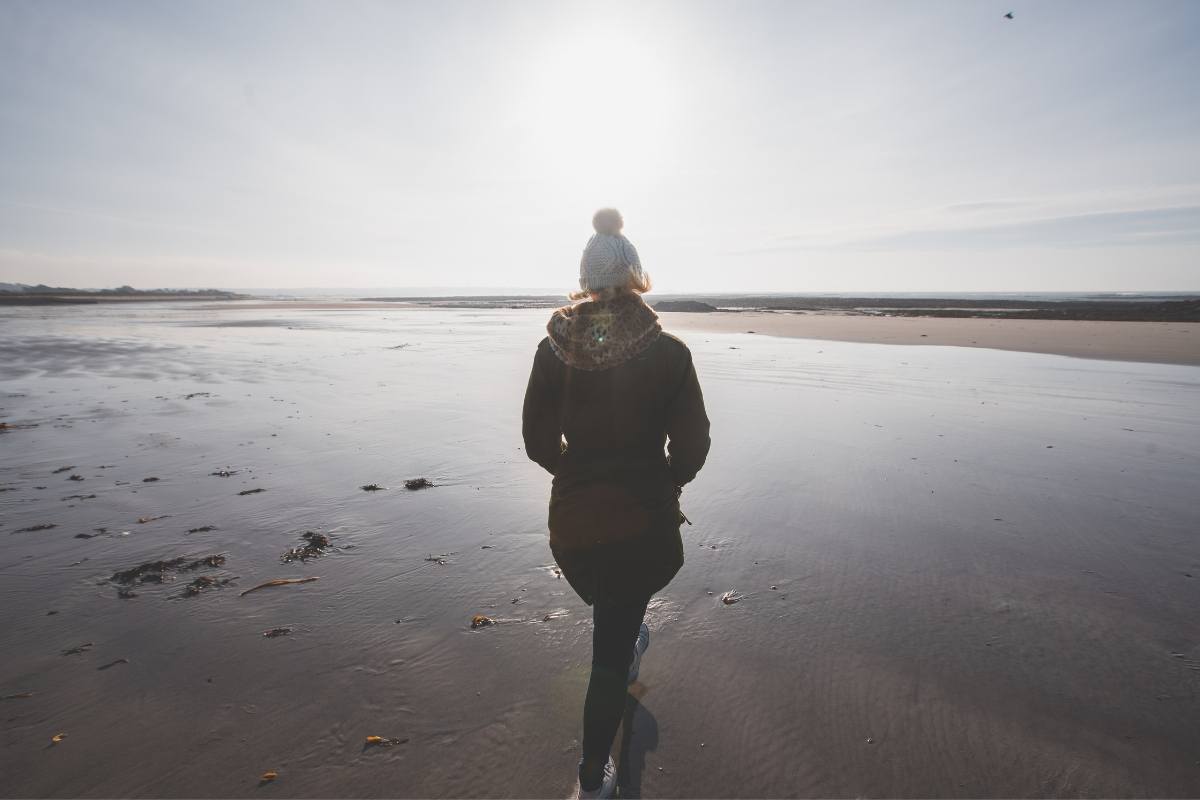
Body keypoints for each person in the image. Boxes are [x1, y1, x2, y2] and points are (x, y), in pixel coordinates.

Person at [522, 208, 711, 798]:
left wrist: (574, 472)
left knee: (614, 610)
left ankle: (627, 641)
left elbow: (535, 442)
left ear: (585, 276)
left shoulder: (552, 350)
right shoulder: (670, 353)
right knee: (608, 647)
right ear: (635, 276)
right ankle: (590, 778)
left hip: (574, 522)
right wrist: (667, 482)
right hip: (640, 521)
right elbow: (693, 445)